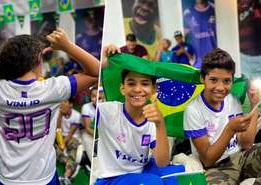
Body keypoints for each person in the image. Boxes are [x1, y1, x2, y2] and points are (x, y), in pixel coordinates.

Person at [0, 28, 99, 185]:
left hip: (6, 177)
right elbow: (95, 71)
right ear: (37, 61)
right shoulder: (54, 88)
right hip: (43, 177)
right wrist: (67, 46)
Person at [94, 45, 184, 185]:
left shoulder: (153, 117)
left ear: (154, 89)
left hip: (141, 171)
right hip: (111, 179)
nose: (138, 89)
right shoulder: (107, 111)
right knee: (154, 183)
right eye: (131, 83)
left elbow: (162, 162)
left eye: (144, 84)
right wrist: (103, 63)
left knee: (175, 175)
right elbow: (89, 77)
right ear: (122, 88)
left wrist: (160, 124)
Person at [183, 48, 261, 184]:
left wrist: (254, 104)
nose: (220, 87)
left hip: (240, 157)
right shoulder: (193, 110)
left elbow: (246, 144)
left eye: (226, 81)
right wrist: (230, 129)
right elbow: (208, 160)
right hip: (216, 168)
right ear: (203, 78)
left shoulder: (232, 100)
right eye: (213, 80)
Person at [55, 99, 82, 185]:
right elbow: (58, 130)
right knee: (54, 149)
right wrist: (59, 115)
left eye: (65, 102)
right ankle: (71, 163)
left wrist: (62, 145)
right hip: (60, 136)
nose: (62, 103)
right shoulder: (58, 114)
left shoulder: (76, 115)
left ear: (71, 105)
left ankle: (66, 176)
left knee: (72, 146)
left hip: (72, 137)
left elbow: (70, 134)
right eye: (61, 101)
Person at [183, 0, 217, 69]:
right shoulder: (188, 13)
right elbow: (183, 37)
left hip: (215, 60)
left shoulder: (215, 8)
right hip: (197, 63)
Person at [81, 86, 98, 162]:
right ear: (90, 97)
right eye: (94, 96)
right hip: (90, 133)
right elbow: (87, 128)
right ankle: (93, 164)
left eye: (99, 96)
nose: (97, 99)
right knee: (87, 140)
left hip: (101, 133)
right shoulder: (86, 107)